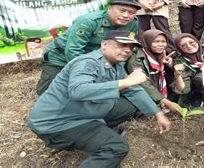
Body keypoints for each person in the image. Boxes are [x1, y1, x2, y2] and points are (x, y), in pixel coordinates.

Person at [28, 30, 171, 167]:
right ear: (104, 44)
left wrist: (157, 113)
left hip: (78, 112)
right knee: (116, 147)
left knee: (130, 106)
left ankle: (99, 130)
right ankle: (92, 136)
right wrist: (126, 81)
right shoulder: (88, 62)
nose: (128, 50)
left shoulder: (116, 64)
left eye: (131, 47)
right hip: (58, 123)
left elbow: (133, 90)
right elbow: (78, 91)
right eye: (122, 45)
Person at [36, 0, 141, 95]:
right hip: (60, 57)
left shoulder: (133, 23)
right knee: (51, 91)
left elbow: (126, 48)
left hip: (97, 57)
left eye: (131, 12)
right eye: (122, 10)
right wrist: (89, 70)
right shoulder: (89, 21)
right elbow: (73, 51)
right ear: (109, 8)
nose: (126, 15)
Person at [127, 29, 180, 113]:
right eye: (156, 41)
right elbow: (143, 83)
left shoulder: (163, 53)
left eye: (163, 41)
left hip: (157, 85)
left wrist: (169, 65)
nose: (160, 45)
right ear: (147, 41)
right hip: (142, 90)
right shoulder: (136, 58)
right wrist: (165, 101)